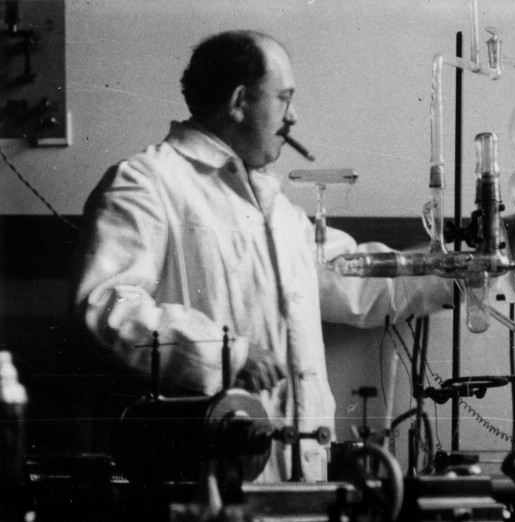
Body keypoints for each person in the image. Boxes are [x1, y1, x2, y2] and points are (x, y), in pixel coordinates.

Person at [71, 30, 453, 483]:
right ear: (238, 101)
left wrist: (461, 274)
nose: (294, 116)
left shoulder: (274, 207)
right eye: (284, 99)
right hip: (209, 475)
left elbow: (353, 280)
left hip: (301, 472)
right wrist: (225, 352)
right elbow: (108, 305)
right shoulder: (148, 182)